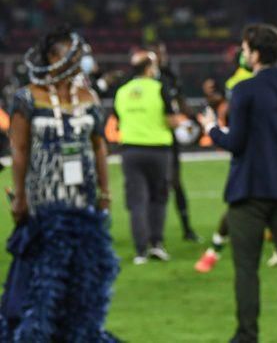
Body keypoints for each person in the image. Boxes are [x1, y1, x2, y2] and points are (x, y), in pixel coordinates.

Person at [200, 24, 277, 343]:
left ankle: (247, 334)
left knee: (246, 269)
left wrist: (212, 129)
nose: (242, 54)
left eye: (244, 48)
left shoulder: (244, 90)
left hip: (250, 190)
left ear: (255, 53)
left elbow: (236, 143)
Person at [1, 28, 118, 340]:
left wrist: (104, 192)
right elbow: (20, 150)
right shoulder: (27, 98)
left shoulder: (88, 96)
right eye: (74, 55)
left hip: (82, 199)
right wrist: (20, 195)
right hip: (43, 201)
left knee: (83, 278)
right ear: (54, 58)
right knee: (42, 278)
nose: (82, 62)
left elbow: (99, 147)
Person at [114, 49, 180, 265]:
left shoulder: (122, 91)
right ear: (149, 68)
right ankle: (156, 245)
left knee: (136, 202)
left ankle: (140, 251)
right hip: (158, 151)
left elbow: (117, 119)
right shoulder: (161, 88)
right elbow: (172, 120)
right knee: (158, 199)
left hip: (131, 150)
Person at [194, 52, 253, 274]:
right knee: (241, 204)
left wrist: (212, 128)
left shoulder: (240, 84)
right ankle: (215, 249)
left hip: (259, 155)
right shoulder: (238, 84)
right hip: (254, 155)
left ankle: (215, 251)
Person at [149, 41, 201, 243]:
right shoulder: (142, 80)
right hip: (151, 138)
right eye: (157, 53)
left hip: (169, 139)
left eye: (163, 52)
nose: (162, 56)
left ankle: (187, 229)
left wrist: (193, 119)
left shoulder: (170, 77)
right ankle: (152, 235)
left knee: (176, 183)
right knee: (154, 187)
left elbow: (180, 101)